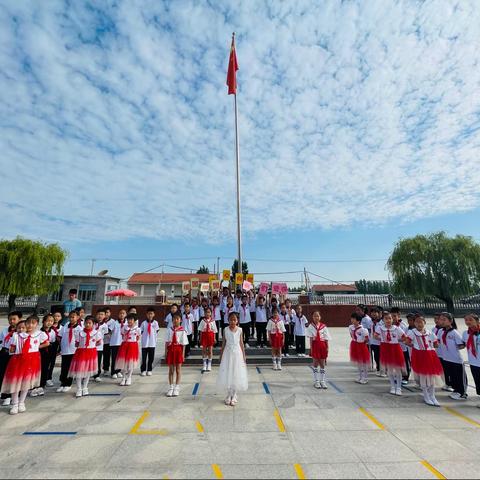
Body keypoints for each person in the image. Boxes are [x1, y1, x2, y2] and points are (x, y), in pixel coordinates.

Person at [2, 316, 49, 415]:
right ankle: (14, 404)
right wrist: (13, 348)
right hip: (18, 361)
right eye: (28, 323)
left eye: (33, 323)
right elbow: (12, 349)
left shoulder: (39, 334)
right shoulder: (17, 335)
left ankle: (21, 402)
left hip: (32, 361)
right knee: (15, 383)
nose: (30, 325)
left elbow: (46, 343)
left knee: (25, 383)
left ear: (37, 324)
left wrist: (36, 348)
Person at [405, 314, 443, 406]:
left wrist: (435, 344)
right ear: (414, 323)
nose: (419, 324)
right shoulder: (412, 332)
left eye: (421, 322)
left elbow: (436, 344)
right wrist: (415, 346)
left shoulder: (429, 333)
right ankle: (426, 395)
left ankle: (432, 396)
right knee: (423, 377)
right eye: (417, 322)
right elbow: (407, 342)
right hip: (419, 355)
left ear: (424, 322)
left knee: (431, 377)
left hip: (430, 355)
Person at [216, 312, 248, 406]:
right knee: (228, 373)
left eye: (234, 320)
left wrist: (244, 355)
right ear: (228, 320)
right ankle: (229, 394)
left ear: (237, 321)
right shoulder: (225, 330)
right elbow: (223, 343)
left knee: (236, 373)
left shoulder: (240, 330)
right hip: (228, 353)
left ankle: (234, 394)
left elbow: (241, 343)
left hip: (237, 354)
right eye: (231, 320)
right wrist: (221, 355)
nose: (232, 321)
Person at [374, 310, 406, 396]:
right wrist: (382, 339)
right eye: (386, 319)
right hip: (385, 348)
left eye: (390, 318)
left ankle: (399, 387)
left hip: (395, 349)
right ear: (383, 320)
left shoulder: (397, 328)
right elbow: (375, 336)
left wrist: (396, 340)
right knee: (390, 370)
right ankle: (392, 386)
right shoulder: (380, 328)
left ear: (392, 320)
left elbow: (404, 337)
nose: (388, 320)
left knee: (398, 370)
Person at [438, 312, 467, 400]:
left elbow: (462, 345)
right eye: (440, 319)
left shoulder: (454, 332)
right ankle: (456, 390)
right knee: (452, 376)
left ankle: (462, 393)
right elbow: (439, 341)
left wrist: (452, 348)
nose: (442, 321)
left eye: (444, 319)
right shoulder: (440, 331)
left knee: (459, 377)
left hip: (456, 359)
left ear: (450, 321)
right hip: (446, 358)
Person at [69, 315, 100, 398]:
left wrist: (91, 346)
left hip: (91, 353)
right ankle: (79, 389)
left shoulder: (96, 333)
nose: (88, 325)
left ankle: (85, 387)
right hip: (81, 353)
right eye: (86, 323)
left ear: (93, 324)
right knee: (79, 372)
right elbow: (76, 343)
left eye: (90, 323)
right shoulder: (80, 333)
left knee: (88, 372)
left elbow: (98, 342)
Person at [0, 310, 22, 407]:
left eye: (14, 319)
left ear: (19, 319)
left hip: (14, 355)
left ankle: (9, 396)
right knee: (2, 375)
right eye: (10, 319)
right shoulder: (5, 330)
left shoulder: (21, 331)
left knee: (11, 376)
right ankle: (3, 394)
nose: (12, 321)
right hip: (4, 354)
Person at [57, 310, 81, 393]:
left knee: (70, 368)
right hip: (65, 350)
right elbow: (59, 336)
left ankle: (68, 383)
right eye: (70, 317)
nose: (71, 318)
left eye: (73, 317)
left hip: (73, 351)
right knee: (64, 367)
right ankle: (62, 383)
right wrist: (61, 346)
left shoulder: (79, 328)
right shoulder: (66, 325)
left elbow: (79, 340)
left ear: (78, 317)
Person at [165, 313, 189, 397]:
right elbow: (167, 342)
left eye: (177, 319)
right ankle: (171, 387)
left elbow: (184, 344)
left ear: (180, 320)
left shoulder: (182, 331)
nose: (175, 320)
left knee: (178, 370)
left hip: (178, 350)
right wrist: (166, 353)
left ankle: (177, 387)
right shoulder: (169, 330)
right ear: (172, 320)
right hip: (171, 350)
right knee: (171, 370)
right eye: (174, 319)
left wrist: (183, 355)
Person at [33, 313, 57, 397]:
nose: (49, 323)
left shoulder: (53, 332)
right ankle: (36, 385)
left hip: (49, 352)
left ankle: (42, 384)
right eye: (47, 321)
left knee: (46, 368)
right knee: (39, 368)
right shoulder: (38, 332)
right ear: (43, 322)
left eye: (51, 321)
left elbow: (53, 342)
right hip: (41, 352)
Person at [306, 311, 331, 389]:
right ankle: (316, 381)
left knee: (322, 364)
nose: (316, 318)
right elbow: (310, 338)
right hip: (315, 345)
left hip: (322, 346)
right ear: (312, 317)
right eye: (314, 316)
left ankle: (322, 381)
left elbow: (326, 338)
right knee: (315, 363)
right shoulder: (310, 326)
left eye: (317, 316)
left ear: (320, 317)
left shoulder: (324, 327)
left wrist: (327, 348)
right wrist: (311, 348)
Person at [116, 313, 141, 386]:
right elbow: (122, 335)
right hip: (125, 345)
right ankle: (123, 378)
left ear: (135, 320)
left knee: (130, 363)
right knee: (124, 363)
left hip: (133, 346)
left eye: (131, 319)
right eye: (128, 319)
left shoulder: (137, 329)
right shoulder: (124, 327)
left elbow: (138, 338)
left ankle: (129, 377)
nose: (129, 321)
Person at [463, 313, 480, 407]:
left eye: (470, 320)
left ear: (477, 321)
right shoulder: (465, 334)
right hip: (474, 362)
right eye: (466, 320)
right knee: (478, 381)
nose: (468, 322)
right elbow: (463, 344)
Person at [391, 307, 411, 385]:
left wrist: (396, 339)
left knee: (404, 363)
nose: (393, 318)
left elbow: (405, 337)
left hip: (403, 348)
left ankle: (405, 377)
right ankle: (398, 375)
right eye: (392, 316)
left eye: (394, 316)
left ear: (399, 315)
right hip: (394, 348)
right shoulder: (390, 325)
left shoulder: (403, 325)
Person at [349, 312, 370, 384]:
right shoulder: (350, 327)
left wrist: (361, 341)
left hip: (361, 346)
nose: (352, 320)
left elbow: (367, 339)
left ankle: (365, 377)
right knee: (358, 362)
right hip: (354, 345)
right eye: (351, 318)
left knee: (363, 362)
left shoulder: (363, 330)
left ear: (358, 320)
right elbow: (351, 335)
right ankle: (360, 376)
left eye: (354, 319)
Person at [140, 307, 160, 376]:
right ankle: (143, 370)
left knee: (151, 358)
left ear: (154, 314)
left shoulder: (155, 323)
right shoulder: (143, 323)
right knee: (144, 358)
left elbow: (157, 331)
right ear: (146, 314)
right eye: (149, 314)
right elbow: (141, 332)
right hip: (145, 343)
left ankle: (149, 369)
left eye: (151, 314)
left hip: (152, 343)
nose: (150, 315)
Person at [108, 309, 126, 379]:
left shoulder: (127, 323)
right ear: (118, 315)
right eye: (120, 313)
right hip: (115, 343)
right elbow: (109, 331)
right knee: (114, 358)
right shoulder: (114, 323)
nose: (122, 315)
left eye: (123, 313)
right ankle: (113, 372)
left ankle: (118, 371)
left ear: (125, 315)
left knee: (120, 358)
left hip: (123, 343)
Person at [198, 307, 217, 372]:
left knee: (210, 350)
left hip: (210, 336)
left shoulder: (213, 321)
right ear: (204, 313)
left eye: (209, 312)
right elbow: (200, 330)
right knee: (204, 350)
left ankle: (209, 364)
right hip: (204, 336)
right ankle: (204, 364)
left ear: (211, 313)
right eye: (206, 312)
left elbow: (214, 330)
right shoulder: (202, 321)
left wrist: (214, 338)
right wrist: (200, 338)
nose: (207, 313)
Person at [93, 309, 108, 383]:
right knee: (90, 360)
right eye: (99, 314)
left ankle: (97, 375)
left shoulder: (105, 326)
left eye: (102, 314)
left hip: (99, 346)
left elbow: (104, 335)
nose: (100, 316)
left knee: (98, 361)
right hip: (91, 346)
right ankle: (88, 373)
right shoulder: (92, 323)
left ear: (105, 316)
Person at [369, 307, 384, 376]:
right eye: (372, 312)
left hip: (380, 342)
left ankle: (383, 370)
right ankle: (378, 368)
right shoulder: (371, 321)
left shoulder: (382, 322)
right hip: (373, 342)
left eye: (375, 312)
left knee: (382, 356)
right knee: (376, 356)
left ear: (379, 313)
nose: (373, 314)